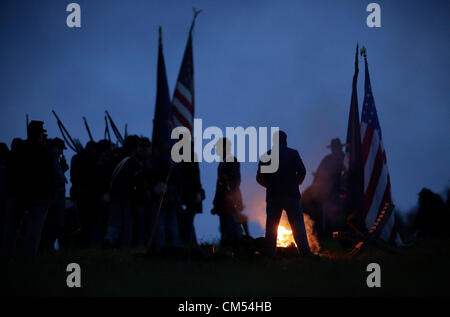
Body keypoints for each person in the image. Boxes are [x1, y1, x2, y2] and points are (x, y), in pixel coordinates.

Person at [256, 130, 317, 258]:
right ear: (285, 140)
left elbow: (259, 178)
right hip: (292, 195)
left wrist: (269, 186)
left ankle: (270, 255)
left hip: (274, 196)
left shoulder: (267, 156)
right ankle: (306, 254)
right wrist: (296, 183)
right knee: (298, 227)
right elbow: (302, 171)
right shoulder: (293, 154)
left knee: (271, 228)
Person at [2, 120, 56, 256]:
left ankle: (7, 255)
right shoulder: (45, 153)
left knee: (11, 228)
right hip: (38, 196)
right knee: (34, 229)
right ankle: (28, 257)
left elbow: (9, 173)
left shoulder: (17, 150)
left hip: (16, 194)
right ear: (40, 135)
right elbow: (50, 176)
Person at [104, 135, 144, 248]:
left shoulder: (114, 158)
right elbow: (137, 181)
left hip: (115, 194)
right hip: (128, 195)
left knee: (114, 221)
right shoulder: (134, 163)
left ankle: (110, 241)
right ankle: (124, 246)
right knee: (127, 222)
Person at [302, 138, 346, 235]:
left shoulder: (344, 159)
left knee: (314, 200)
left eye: (335, 148)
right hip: (324, 187)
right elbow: (319, 173)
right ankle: (312, 226)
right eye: (333, 148)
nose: (334, 150)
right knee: (306, 197)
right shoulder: (328, 159)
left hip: (335, 189)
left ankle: (319, 229)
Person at [212, 138, 245, 251]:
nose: (217, 149)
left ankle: (238, 250)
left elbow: (235, 181)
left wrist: (230, 196)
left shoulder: (231, 161)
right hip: (223, 201)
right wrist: (216, 202)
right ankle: (226, 250)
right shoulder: (223, 162)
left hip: (230, 201)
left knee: (233, 227)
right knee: (225, 227)